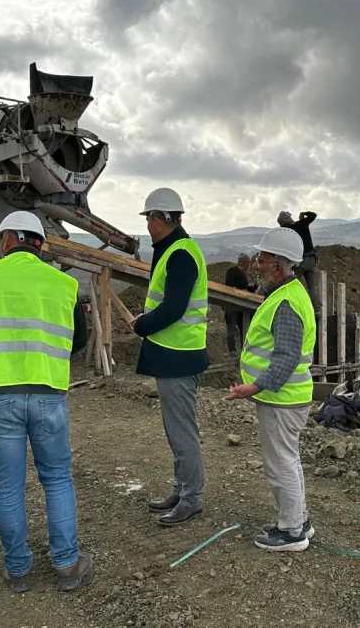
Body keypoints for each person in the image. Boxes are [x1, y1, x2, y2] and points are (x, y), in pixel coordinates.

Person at [0, 210, 92, 594]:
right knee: (57, 479)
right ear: (40, 244)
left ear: (8, 239)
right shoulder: (64, 284)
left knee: (8, 487)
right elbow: (78, 341)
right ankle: (66, 564)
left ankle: (18, 570)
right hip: (48, 393)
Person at [226, 227, 317, 552]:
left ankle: (292, 532)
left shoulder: (287, 302)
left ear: (278, 267)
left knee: (281, 463)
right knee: (287, 460)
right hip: (284, 398)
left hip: (282, 399)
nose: (255, 265)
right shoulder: (286, 294)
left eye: (262, 261)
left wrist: (254, 386)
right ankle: (298, 520)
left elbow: (286, 357)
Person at [130, 187, 209, 525]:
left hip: (179, 355)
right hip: (173, 354)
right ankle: (182, 489)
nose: (147, 224)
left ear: (161, 220)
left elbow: (174, 309)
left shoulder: (179, 254)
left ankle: (191, 497)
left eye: (149, 218)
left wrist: (141, 325)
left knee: (181, 431)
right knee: (175, 430)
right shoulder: (174, 250)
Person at [277, 210, 320, 316]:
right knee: (312, 287)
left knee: (292, 284)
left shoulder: (288, 232)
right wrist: (304, 214)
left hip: (300, 262)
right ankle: (317, 310)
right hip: (311, 260)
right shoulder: (301, 224)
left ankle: (293, 306)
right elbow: (313, 215)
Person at [224, 253, 257, 356]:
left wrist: (254, 287)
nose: (249, 266)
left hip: (241, 306)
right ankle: (232, 351)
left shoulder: (242, 274)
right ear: (244, 262)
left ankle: (244, 348)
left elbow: (245, 288)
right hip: (231, 306)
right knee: (231, 329)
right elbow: (230, 288)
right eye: (248, 263)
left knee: (244, 327)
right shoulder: (232, 272)